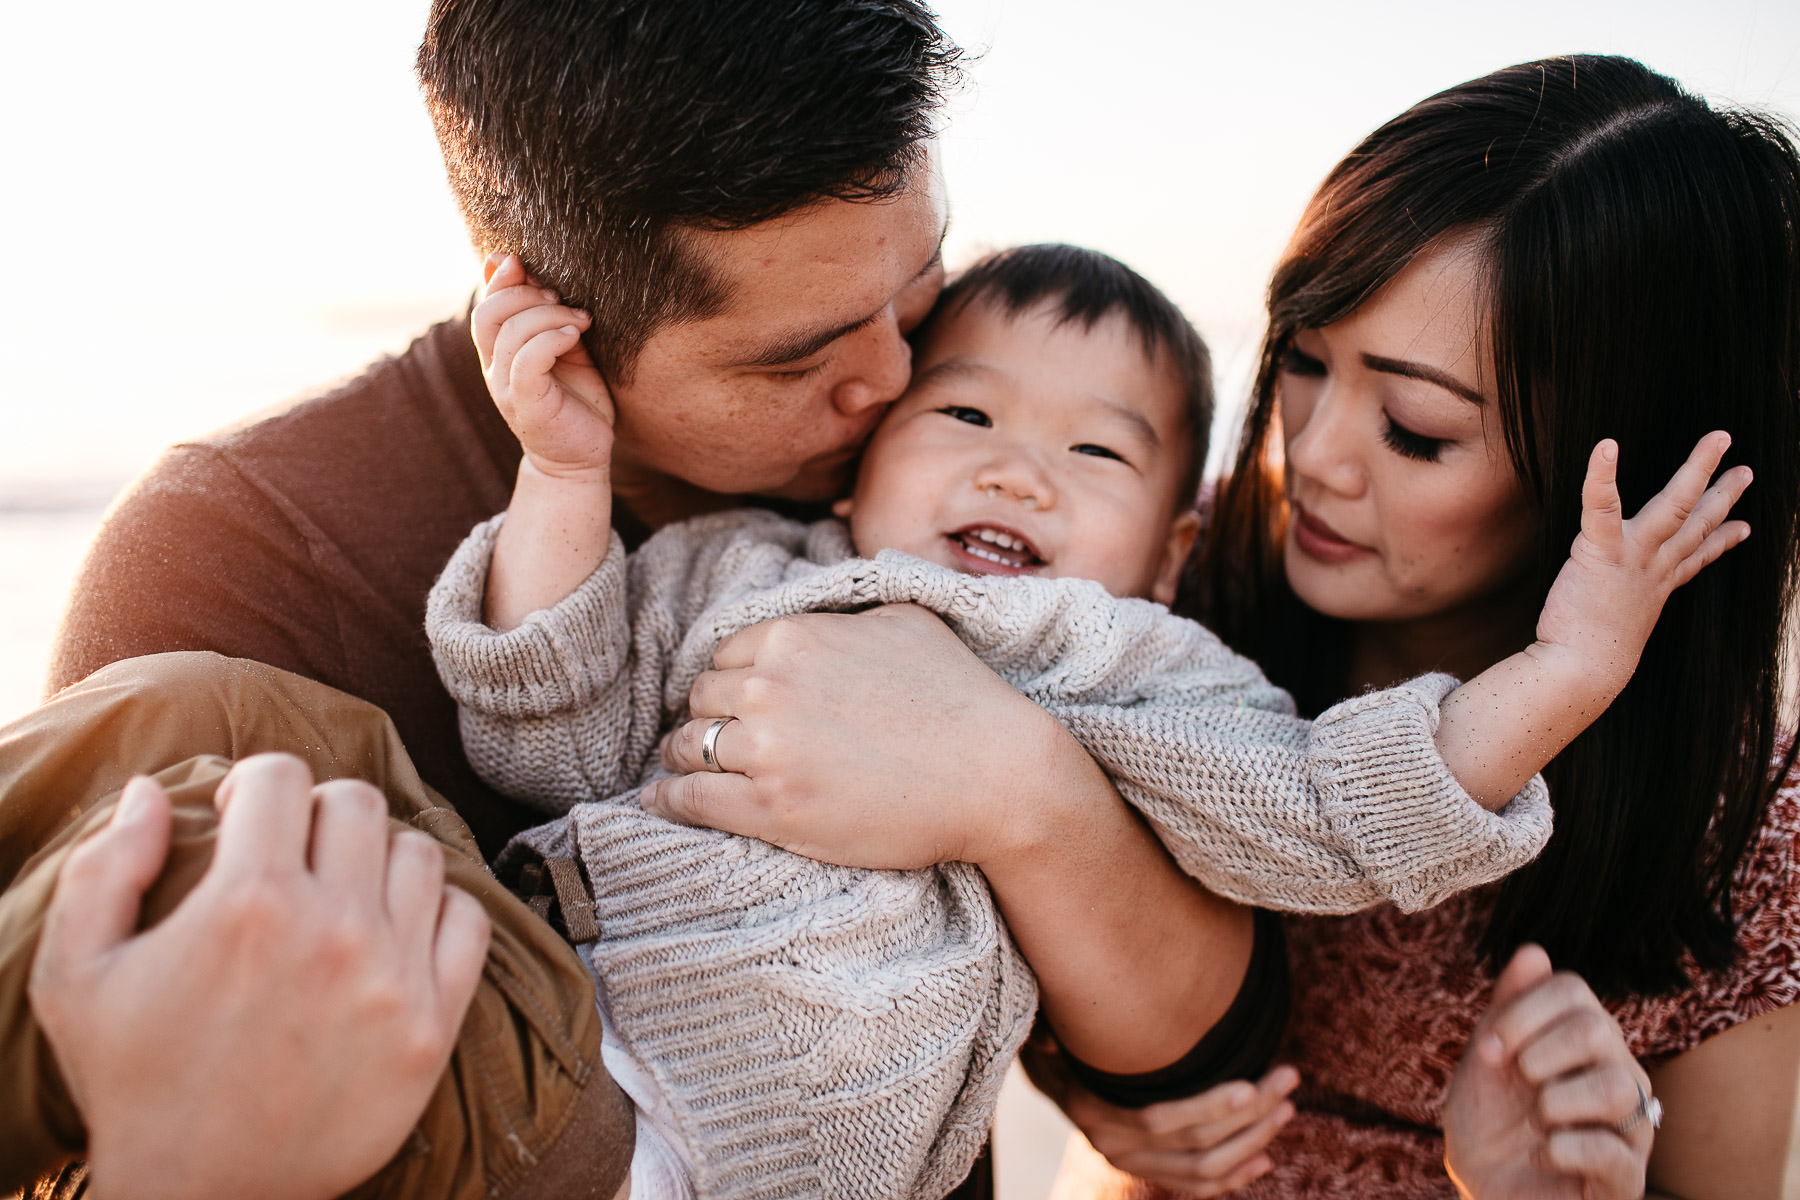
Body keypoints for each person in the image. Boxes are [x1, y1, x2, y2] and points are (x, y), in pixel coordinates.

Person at [11, 2, 1237, 1194]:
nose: (897, 376)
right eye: (799, 358)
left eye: (918, 286)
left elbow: (1203, 1047)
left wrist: (1009, 791)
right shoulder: (240, 553)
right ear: (561, 326)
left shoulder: (963, 474)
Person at [432, 238, 1744, 1200]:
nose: (1019, 469)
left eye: (1096, 454)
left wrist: (1568, 669)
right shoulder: (739, 566)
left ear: (1171, 551)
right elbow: (546, 735)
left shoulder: (1130, 665)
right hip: (546, 997)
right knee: (261, 752)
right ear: (871, 443)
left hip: (759, 1141)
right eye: (966, 414)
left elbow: (1332, 805)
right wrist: (562, 472)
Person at [1029, 55, 1800, 1200]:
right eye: (1302, 359)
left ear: (1624, 467)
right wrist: (1083, 1094)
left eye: (1413, 427)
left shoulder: (1742, 824)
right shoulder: (1156, 578)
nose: (1314, 454)